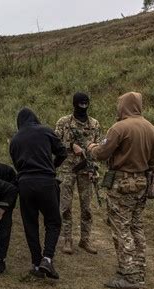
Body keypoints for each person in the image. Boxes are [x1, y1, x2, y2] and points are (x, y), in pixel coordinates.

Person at [87, 92, 154, 289]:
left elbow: (102, 153)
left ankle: (129, 277)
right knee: (136, 226)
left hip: (122, 184)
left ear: (124, 106)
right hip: (142, 183)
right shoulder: (152, 129)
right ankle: (139, 271)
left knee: (121, 228)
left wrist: (91, 146)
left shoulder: (119, 128)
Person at [10, 107, 67, 279]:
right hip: (46, 182)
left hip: (25, 184)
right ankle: (47, 259)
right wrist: (52, 166)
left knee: (30, 223)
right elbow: (62, 152)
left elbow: (17, 165)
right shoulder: (45, 131)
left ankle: (36, 263)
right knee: (53, 222)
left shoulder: (15, 140)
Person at [55, 92, 101, 255]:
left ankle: (85, 239)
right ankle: (67, 239)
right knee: (65, 206)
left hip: (86, 169)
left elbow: (98, 150)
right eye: (80, 104)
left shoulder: (94, 124)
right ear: (74, 104)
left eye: (85, 104)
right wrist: (71, 145)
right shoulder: (64, 122)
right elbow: (55, 143)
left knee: (86, 207)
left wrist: (94, 169)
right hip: (67, 169)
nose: (83, 107)